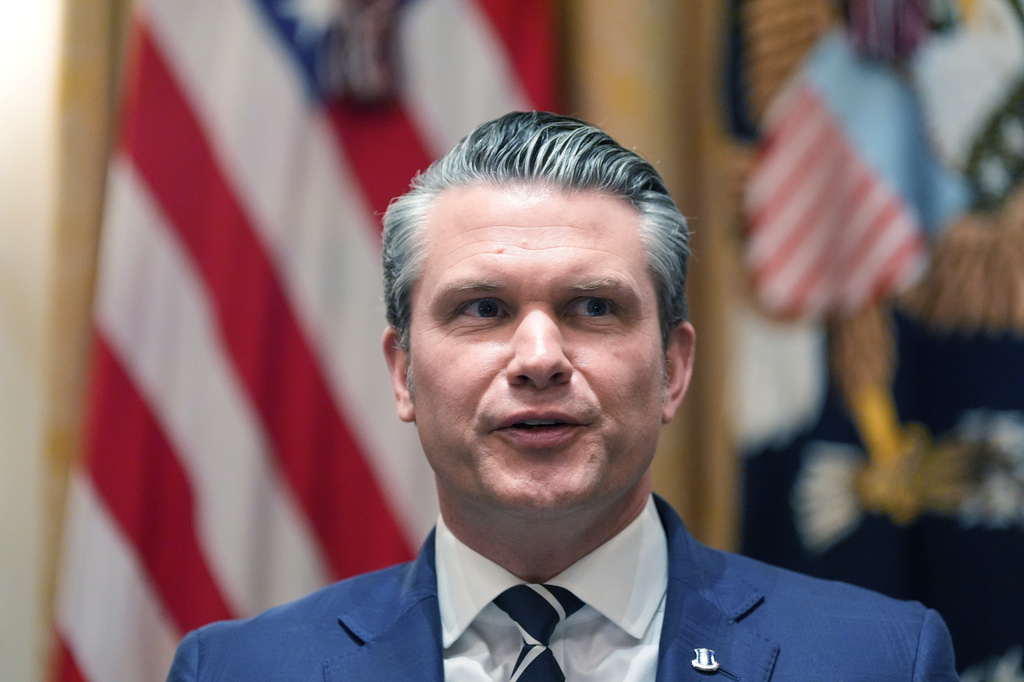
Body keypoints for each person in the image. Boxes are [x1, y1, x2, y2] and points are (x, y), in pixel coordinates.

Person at [167, 111, 958, 680]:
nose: (539, 358)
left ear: (673, 370)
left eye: (593, 308)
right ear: (403, 372)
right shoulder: (237, 670)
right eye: (483, 309)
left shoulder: (878, 660)